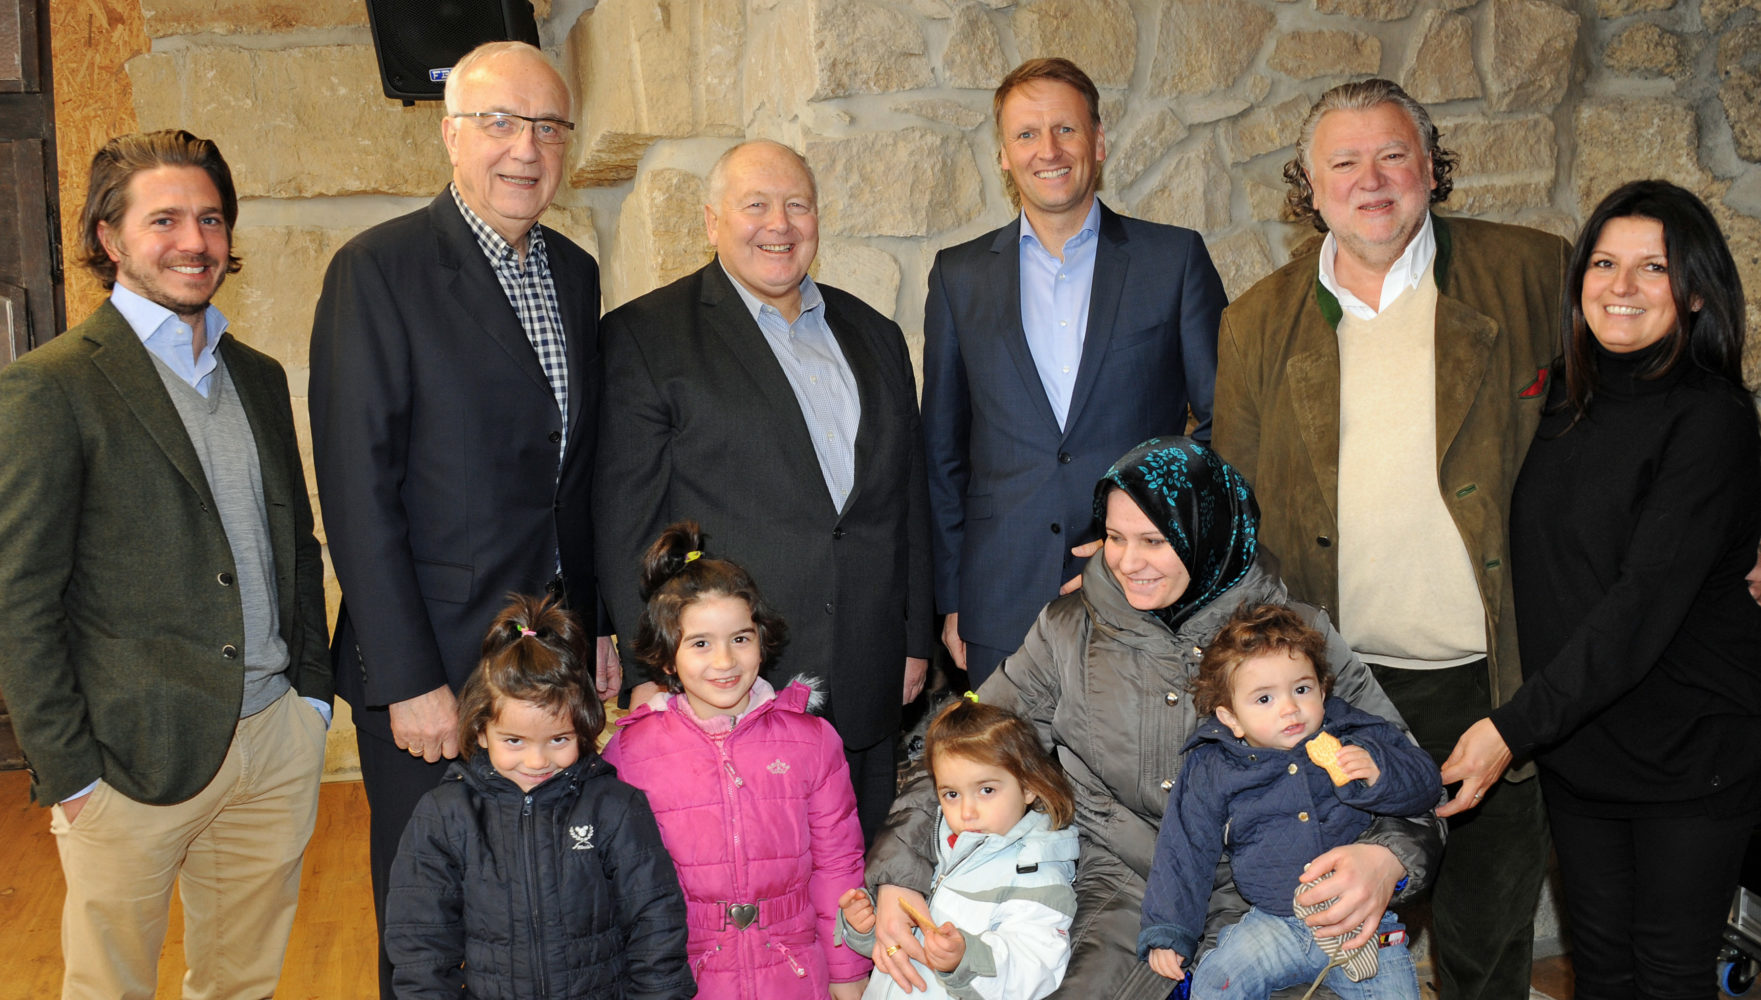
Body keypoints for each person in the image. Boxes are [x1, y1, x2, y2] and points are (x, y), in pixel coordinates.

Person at [1210, 77, 1570, 1000]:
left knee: (1486, 938)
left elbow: (1631, 419)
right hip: (1342, 690)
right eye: (1344, 162)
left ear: (1429, 168)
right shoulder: (1256, 322)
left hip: (1497, 677)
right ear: (1309, 185)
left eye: (1392, 155)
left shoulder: (1534, 274)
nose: (1371, 180)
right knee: (1349, 941)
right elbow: (1234, 508)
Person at [865, 438, 1441, 1000]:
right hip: (1124, 889)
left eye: (1153, 540)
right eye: (1114, 537)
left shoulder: (1292, 637)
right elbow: (962, 747)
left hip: (1279, 898)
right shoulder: (1069, 630)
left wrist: (1386, 859)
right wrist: (898, 876)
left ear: (1206, 536)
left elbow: (1410, 775)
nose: (1127, 561)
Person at [308, 40, 611, 996]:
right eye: (499, 122)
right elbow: (358, 489)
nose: (526, 148)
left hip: (550, 665)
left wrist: (598, 628)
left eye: (547, 127)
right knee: (431, 928)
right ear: (449, 134)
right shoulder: (377, 271)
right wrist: (407, 680)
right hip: (433, 672)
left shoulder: (573, 270)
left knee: (546, 908)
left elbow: (576, 478)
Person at [0, 129, 331, 999]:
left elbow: (293, 542)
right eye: (165, 220)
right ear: (110, 239)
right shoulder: (53, 386)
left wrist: (311, 700)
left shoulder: (255, 375)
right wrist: (68, 771)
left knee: (243, 985)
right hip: (128, 762)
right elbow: (19, 600)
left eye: (212, 219)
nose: (195, 242)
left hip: (273, 741)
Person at [1440, 180, 1761, 1000]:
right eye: (1604, 263)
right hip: (1582, 744)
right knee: (1603, 973)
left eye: (1651, 268)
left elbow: (1641, 603)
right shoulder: (1554, 399)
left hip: (1689, 752)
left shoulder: (1711, 420)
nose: (1620, 287)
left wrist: (1510, 728)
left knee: (1665, 975)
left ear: (1693, 292)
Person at [594, 139, 933, 840]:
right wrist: (647, 669)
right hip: (732, 681)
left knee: (857, 879)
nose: (778, 224)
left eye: (796, 205)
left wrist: (912, 636)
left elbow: (905, 501)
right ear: (712, 220)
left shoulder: (874, 334)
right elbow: (627, 523)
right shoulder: (645, 337)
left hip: (866, 671)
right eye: (756, 205)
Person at [922, 57, 1226, 687]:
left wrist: (1155, 532)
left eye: (1065, 129)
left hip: (1142, 590)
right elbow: (943, 452)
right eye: (1025, 135)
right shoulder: (959, 276)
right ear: (1004, 155)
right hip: (1002, 601)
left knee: (1138, 782)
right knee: (1002, 783)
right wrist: (953, 598)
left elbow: (1226, 420)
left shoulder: (1172, 260)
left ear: (1099, 142)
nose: (1048, 150)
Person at [602, 522, 871, 999]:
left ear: (762, 641)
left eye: (741, 639)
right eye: (700, 643)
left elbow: (838, 867)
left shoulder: (812, 742)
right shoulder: (630, 752)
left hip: (795, 970)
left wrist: (848, 975)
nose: (725, 662)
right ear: (667, 658)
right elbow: (614, 887)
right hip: (682, 975)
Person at [385, 594, 693, 1000]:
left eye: (558, 739)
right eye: (513, 740)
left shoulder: (615, 807)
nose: (536, 760)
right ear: (480, 730)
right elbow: (420, 946)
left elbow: (656, 924)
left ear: (582, 730)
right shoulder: (444, 816)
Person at [1140, 603, 1439, 1000]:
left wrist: (1380, 770)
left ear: (1323, 689)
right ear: (1230, 718)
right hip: (1274, 924)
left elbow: (1427, 785)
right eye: (1264, 699)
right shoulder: (1212, 765)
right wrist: (1169, 931)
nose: (1289, 708)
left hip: (1363, 924)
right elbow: (1183, 850)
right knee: (1215, 982)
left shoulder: (1352, 732)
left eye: (1301, 689)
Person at [839, 697, 1080, 1000]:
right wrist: (864, 925)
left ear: (1029, 786)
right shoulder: (936, 846)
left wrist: (965, 958)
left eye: (986, 790)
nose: (967, 811)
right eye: (951, 794)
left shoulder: (1036, 874)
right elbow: (895, 943)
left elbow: (1035, 971)